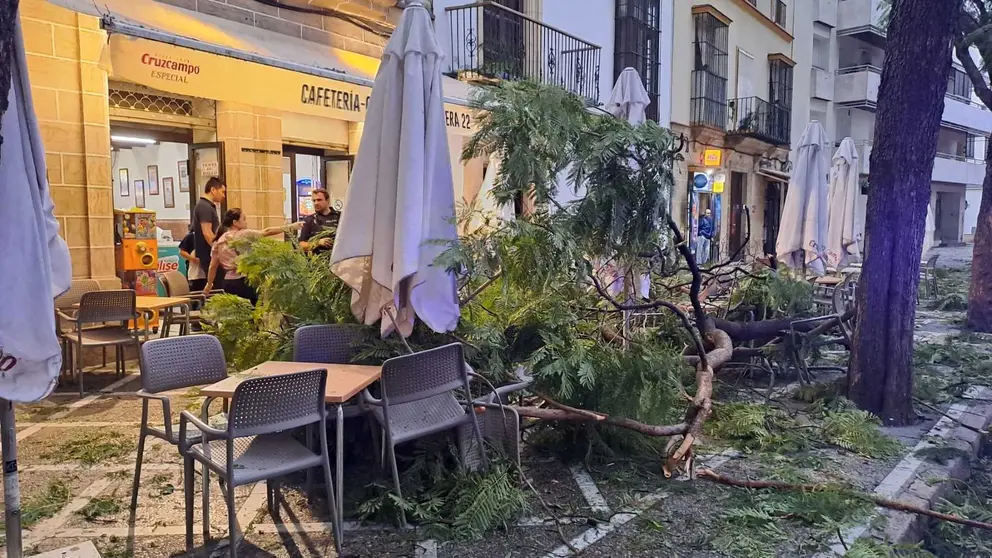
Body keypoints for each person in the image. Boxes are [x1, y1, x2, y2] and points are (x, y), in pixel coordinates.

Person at [203, 208, 302, 305]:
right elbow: (267, 231)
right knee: (254, 312)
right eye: (244, 219)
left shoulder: (219, 241)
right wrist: (291, 227)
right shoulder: (243, 234)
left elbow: (213, 266)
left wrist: (209, 283)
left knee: (235, 313)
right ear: (235, 222)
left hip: (228, 282)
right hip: (244, 280)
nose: (246, 222)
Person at [192, 177, 226, 289]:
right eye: (222, 192)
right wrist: (219, 250)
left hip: (210, 253)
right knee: (218, 285)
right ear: (213, 190)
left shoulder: (207, 206)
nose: (223, 196)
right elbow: (207, 232)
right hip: (208, 254)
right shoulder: (204, 206)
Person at [298, 188, 341, 254]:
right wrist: (318, 242)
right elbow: (301, 245)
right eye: (314, 200)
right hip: (317, 261)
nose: (316, 203)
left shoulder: (340, 217)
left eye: (319, 200)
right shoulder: (309, 220)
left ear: (327, 200)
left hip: (338, 259)